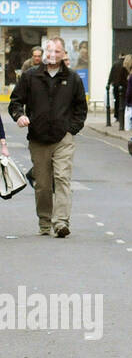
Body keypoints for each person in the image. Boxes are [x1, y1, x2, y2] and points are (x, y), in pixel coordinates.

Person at [7, 38, 87, 237]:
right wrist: (20, 116)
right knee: (42, 185)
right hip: (38, 138)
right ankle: (44, 221)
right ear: (44, 53)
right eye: (50, 51)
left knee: (62, 178)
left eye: (57, 51)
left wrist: (72, 130)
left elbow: (80, 108)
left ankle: (61, 222)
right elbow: (15, 102)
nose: (53, 55)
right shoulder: (30, 76)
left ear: (63, 54)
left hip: (63, 138)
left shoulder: (73, 78)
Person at [107, 54, 129, 130]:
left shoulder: (115, 64)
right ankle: (122, 116)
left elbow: (111, 74)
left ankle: (117, 116)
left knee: (117, 101)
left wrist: (109, 83)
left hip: (116, 85)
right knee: (124, 101)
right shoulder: (126, 64)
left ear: (120, 56)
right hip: (124, 85)